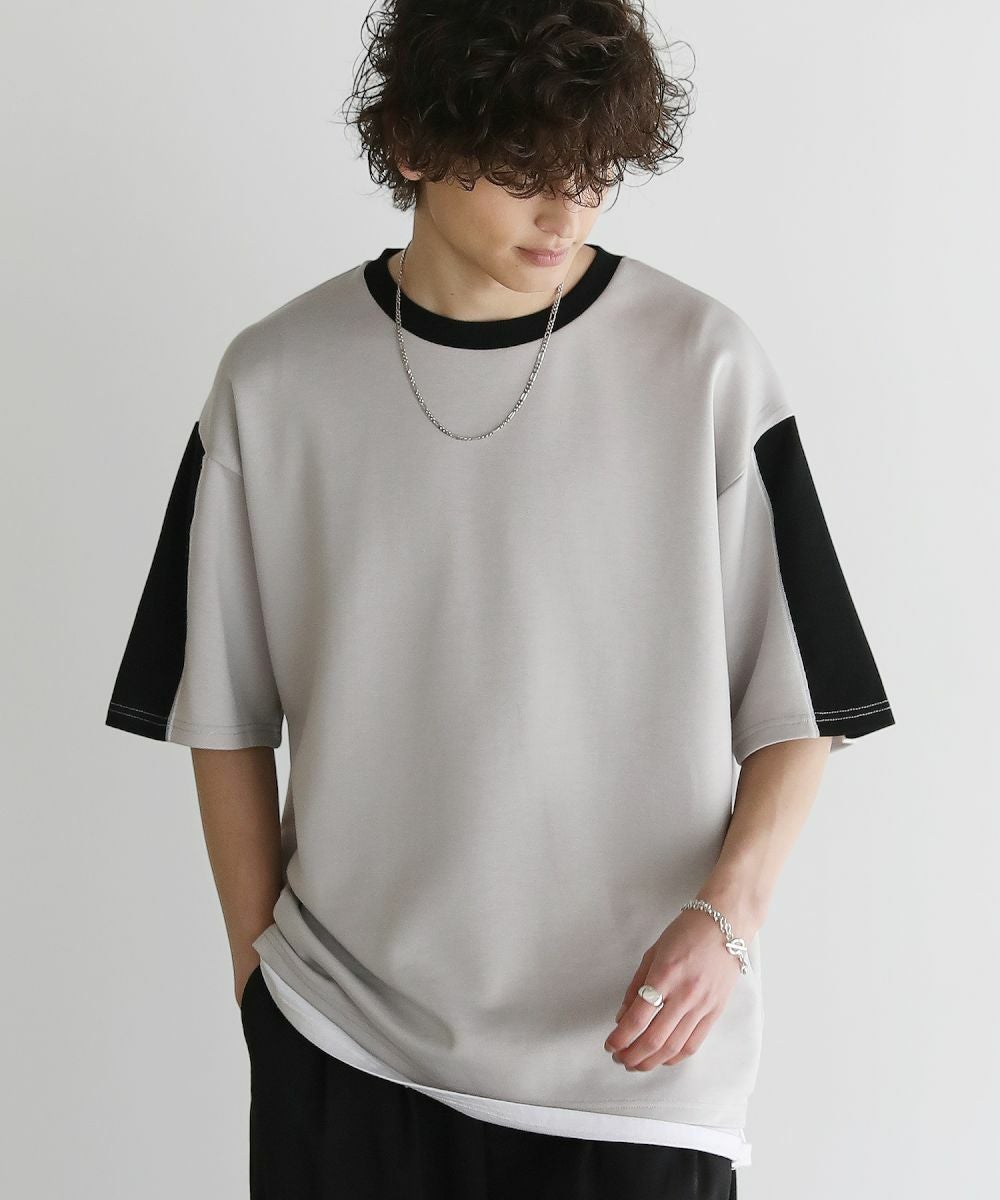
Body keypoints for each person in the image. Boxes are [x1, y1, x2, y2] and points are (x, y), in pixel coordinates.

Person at [104, 2, 895, 1197]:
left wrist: (727, 920)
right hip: (344, 1047)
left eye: (593, 172)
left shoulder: (704, 368)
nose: (565, 213)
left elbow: (801, 706)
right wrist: (258, 982)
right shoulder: (273, 385)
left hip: (632, 1075)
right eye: (527, 172)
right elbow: (221, 714)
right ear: (412, 144)